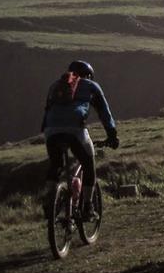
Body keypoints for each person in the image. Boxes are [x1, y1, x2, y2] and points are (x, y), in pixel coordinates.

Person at [41, 60, 119, 218]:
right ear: (89, 75)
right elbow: (104, 112)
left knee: (56, 164)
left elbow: (48, 109)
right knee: (88, 164)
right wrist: (112, 135)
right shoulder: (91, 86)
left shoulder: (55, 85)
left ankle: (50, 198)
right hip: (75, 130)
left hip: (51, 129)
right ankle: (88, 207)